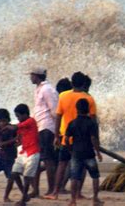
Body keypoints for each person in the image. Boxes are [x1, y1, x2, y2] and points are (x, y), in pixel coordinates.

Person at [45, 72, 97, 200]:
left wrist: (56, 135)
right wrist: (95, 140)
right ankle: (78, 193)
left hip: (66, 137)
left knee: (62, 164)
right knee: (83, 165)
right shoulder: (89, 98)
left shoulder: (63, 96)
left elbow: (58, 116)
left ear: (72, 83)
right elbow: (93, 121)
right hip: (83, 139)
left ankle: (55, 192)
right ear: (83, 84)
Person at [65, 99, 103, 206]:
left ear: (76, 109)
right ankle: (95, 199)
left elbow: (67, 139)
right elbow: (93, 139)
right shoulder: (91, 123)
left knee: (74, 177)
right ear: (88, 109)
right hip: (89, 153)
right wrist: (98, 152)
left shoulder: (72, 123)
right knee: (95, 176)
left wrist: (70, 149)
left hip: (76, 153)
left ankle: (73, 200)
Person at [29, 67, 58, 197]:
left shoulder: (47, 89)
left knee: (48, 161)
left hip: (47, 127)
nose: (30, 77)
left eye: (32, 75)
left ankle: (51, 189)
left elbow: (54, 111)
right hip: (40, 127)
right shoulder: (39, 89)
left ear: (37, 76)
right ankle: (36, 190)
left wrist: (57, 132)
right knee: (38, 160)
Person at [4, 104, 40, 206]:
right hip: (24, 152)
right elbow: (19, 140)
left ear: (25, 114)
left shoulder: (31, 121)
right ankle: (26, 195)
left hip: (33, 152)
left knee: (27, 177)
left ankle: (23, 200)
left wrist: (6, 126)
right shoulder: (22, 124)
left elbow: (16, 127)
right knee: (14, 174)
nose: (18, 119)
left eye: (19, 116)